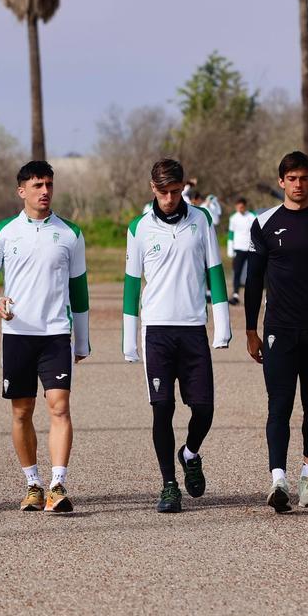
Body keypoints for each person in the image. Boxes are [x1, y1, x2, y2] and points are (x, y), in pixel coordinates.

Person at [0, 161, 90, 513]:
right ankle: (33, 484)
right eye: (37, 185)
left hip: (56, 333)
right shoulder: (3, 232)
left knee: (60, 407)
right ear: (21, 190)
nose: (45, 191)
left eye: (49, 184)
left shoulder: (70, 233)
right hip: (18, 334)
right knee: (22, 412)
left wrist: (82, 340)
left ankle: (57, 484)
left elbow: (79, 291)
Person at [123, 159, 231, 512]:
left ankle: (190, 453)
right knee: (162, 408)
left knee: (204, 408)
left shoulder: (201, 221)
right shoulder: (139, 228)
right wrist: (129, 339)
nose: (170, 198)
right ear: (152, 188)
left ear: (184, 186)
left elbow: (214, 272)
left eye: (176, 191)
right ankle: (169, 485)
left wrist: (222, 326)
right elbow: (130, 285)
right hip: (156, 330)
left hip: (193, 328)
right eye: (164, 192)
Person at [244, 151, 308, 513]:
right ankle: (277, 480)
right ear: (282, 182)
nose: (298, 185)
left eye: (304, 178)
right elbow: (253, 281)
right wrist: (250, 330)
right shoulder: (264, 223)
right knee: (280, 404)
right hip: (278, 331)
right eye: (292, 179)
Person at [227, 197, 257, 305]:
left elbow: (256, 233)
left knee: (252, 273)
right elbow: (231, 234)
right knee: (237, 272)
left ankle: (252, 295)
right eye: (238, 207)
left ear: (245, 206)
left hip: (250, 248)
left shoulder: (252, 216)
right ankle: (235, 294)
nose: (240, 208)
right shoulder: (233, 218)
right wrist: (230, 251)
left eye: (241, 207)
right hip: (238, 248)